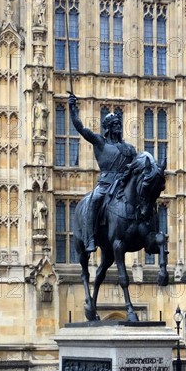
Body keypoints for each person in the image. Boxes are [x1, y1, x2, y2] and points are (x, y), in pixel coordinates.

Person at [68, 94, 137, 253]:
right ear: (108, 127)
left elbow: (137, 165)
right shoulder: (100, 142)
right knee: (94, 200)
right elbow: (81, 128)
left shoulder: (129, 149)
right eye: (114, 124)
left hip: (123, 184)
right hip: (106, 184)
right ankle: (90, 238)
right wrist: (72, 109)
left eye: (119, 124)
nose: (117, 126)